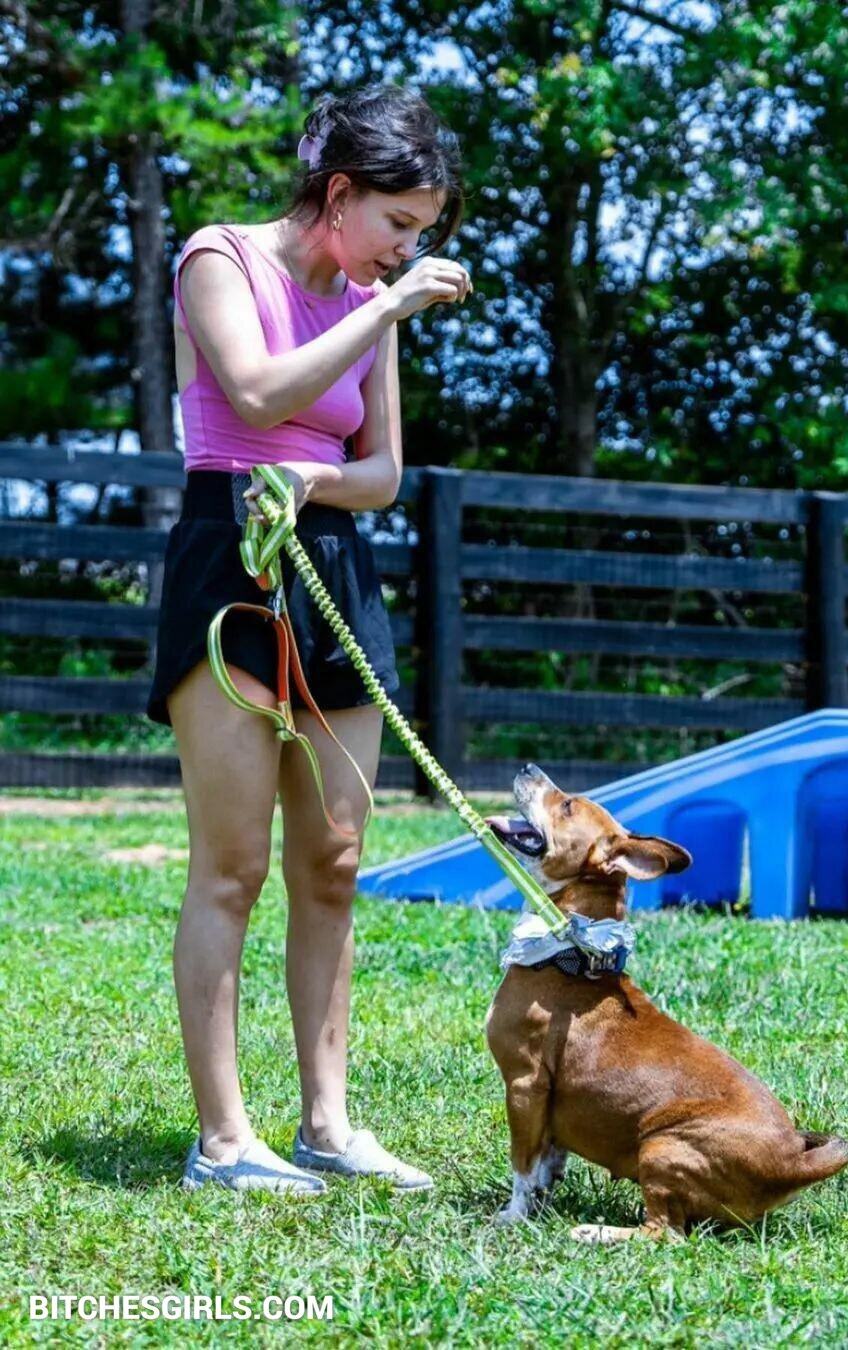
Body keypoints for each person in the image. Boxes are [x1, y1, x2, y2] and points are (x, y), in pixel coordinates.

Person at [146, 85, 471, 1194]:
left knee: (333, 861)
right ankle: (224, 1142)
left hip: (332, 563)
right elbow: (251, 390)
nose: (407, 249)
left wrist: (314, 476)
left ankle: (327, 1124)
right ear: (339, 195)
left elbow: (381, 475)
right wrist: (385, 311)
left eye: (422, 232)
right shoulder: (221, 258)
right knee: (233, 865)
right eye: (397, 222)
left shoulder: (372, 300)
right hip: (228, 558)